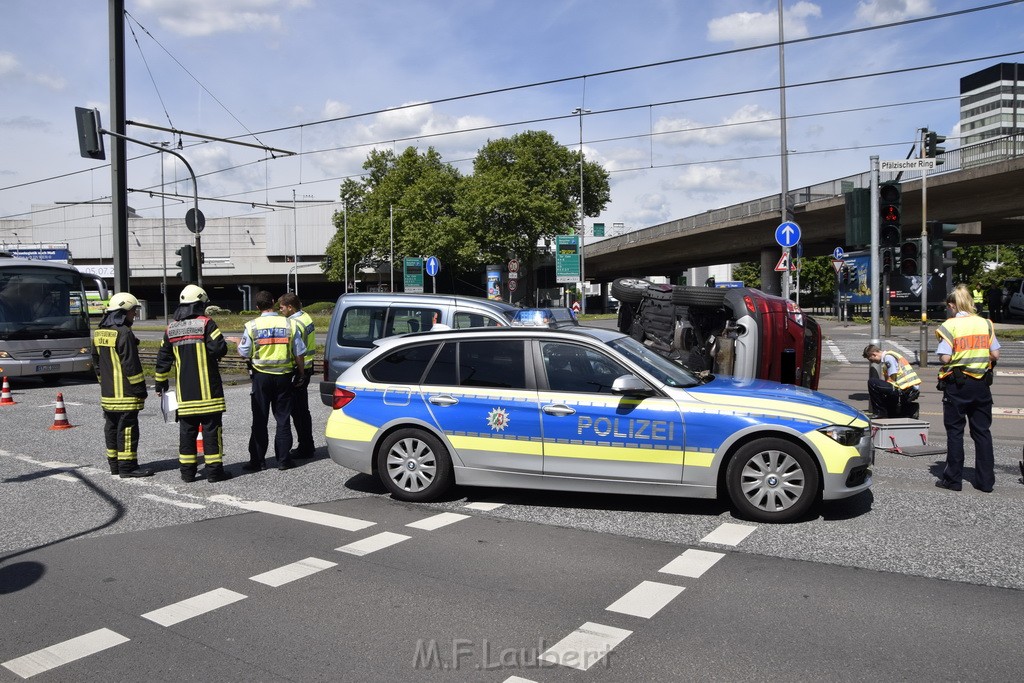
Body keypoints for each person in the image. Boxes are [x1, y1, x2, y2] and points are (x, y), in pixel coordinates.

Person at [154, 285, 232, 483]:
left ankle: (187, 474)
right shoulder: (207, 324)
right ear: (199, 304)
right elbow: (219, 349)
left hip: (185, 395)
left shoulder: (170, 328)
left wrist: (160, 384)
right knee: (211, 433)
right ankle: (214, 473)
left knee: (187, 434)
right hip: (209, 394)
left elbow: (163, 359)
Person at [934, 284, 1000, 492]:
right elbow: (995, 354)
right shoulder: (985, 323)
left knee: (955, 432)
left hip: (957, 384)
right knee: (982, 432)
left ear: (953, 305)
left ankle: (953, 480)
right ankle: (986, 482)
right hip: (981, 384)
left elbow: (945, 357)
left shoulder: (950, 325)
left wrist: (958, 356)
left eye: (949, 307)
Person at [237, 290, 306, 471]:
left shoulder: (252, 325)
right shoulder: (289, 324)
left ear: (258, 307)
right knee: (283, 419)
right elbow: (299, 353)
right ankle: (283, 460)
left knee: (260, 419)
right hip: (284, 377)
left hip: (261, 377)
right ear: (274, 302)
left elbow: (243, 352)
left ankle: (257, 461)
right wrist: (301, 373)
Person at [91, 292, 153, 478]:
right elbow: (131, 366)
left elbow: (96, 362)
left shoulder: (100, 332)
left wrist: (104, 384)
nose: (134, 314)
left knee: (111, 428)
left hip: (108, 394)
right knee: (127, 431)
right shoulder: (124, 333)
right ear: (123, 311)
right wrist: (140, 389)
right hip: (126, 394)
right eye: (133, 311)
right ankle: (128, 468)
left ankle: (115, 466)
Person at [277, 292, 316, 460]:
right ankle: (308, 444)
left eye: (282, 307)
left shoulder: (294, 323)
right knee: (303, 411)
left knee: (297, 412)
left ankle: (305, 447)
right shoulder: (306, 317)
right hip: (308, 367)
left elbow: (297, 350)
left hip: (299, 370)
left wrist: (298, 373)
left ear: (290, 307)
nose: (280, 311)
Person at [862, 344, 922, 419]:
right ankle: (910, 409)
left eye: (870, 359)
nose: (872, 362)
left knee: (873, 382)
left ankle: (879, 412)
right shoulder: (890, 355)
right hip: (908, 388)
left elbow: (892, 377)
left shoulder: (888, 358)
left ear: (874, 354)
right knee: (891, 412)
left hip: (904, 388)